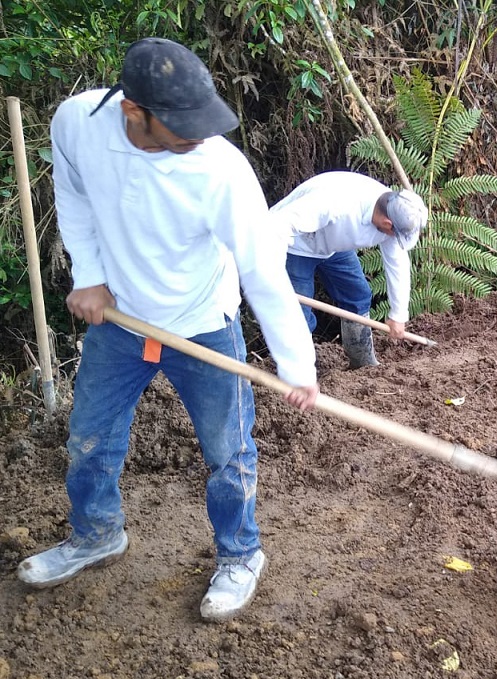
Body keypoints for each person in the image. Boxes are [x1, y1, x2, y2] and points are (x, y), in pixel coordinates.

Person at [16, 38, 319, 623]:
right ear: (133, 111)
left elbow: (261, 268)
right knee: (88, 440)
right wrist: (91, 275)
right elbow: (73, 192)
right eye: (181, 127)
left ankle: (240, 554)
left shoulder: (220, 171)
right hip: (123, 322)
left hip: (205, 324)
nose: (198, 137)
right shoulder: (78, 122)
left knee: (228, 452)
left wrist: (297, 366)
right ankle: (96, 534)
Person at [270, 172, 428, 368]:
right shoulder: (335, 203)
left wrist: (398, 315)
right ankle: (301, 374)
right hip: (296, 246)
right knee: (298, 316)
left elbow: (397, 264)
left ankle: (363, 365)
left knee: (357, 296)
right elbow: (278, 225)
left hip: (335, 246)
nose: (394, 239)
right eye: (394, 234)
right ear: (387, 224)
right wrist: (272, 269)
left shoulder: (391, 210)